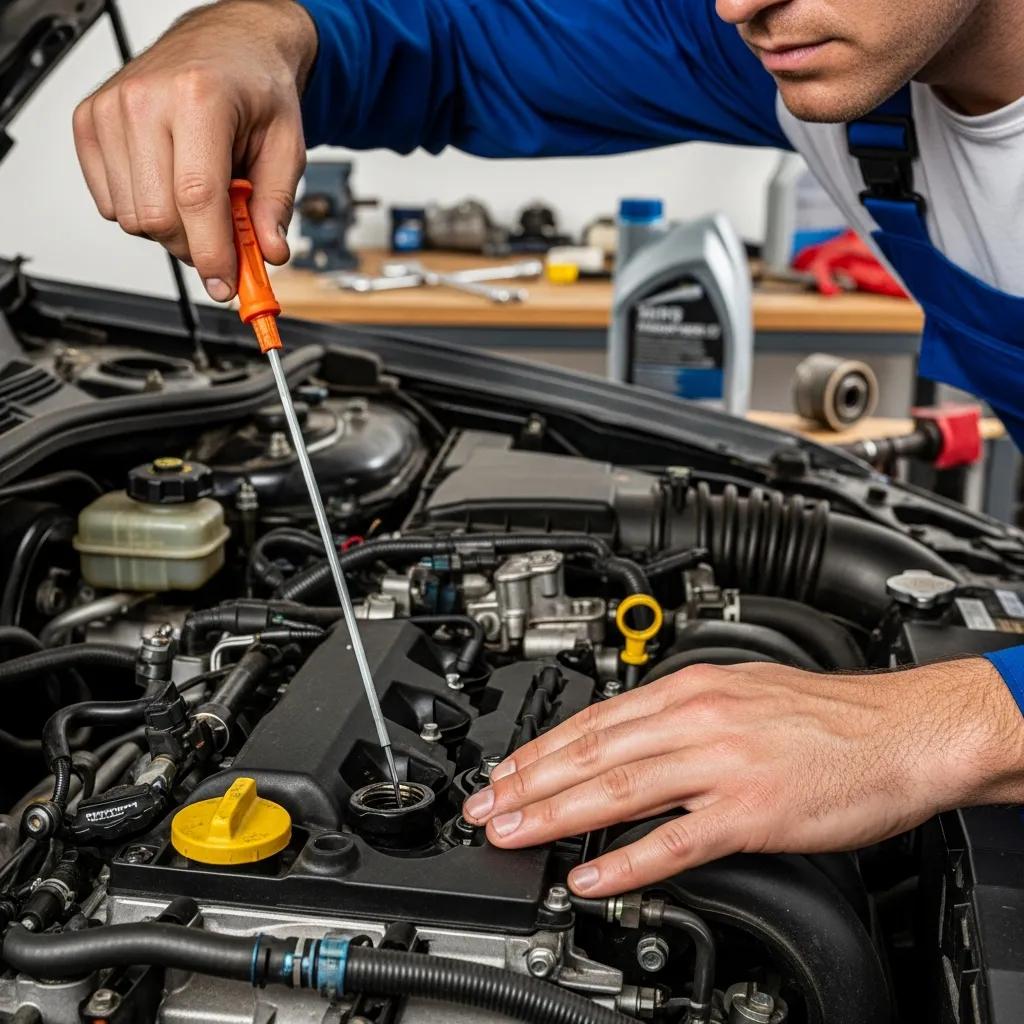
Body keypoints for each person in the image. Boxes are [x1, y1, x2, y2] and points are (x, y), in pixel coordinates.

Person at [73, 0, 1024, 899]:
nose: (736, 5)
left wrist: (956, 724)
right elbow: (449, 47)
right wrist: (251, 28)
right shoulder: (835, 48)